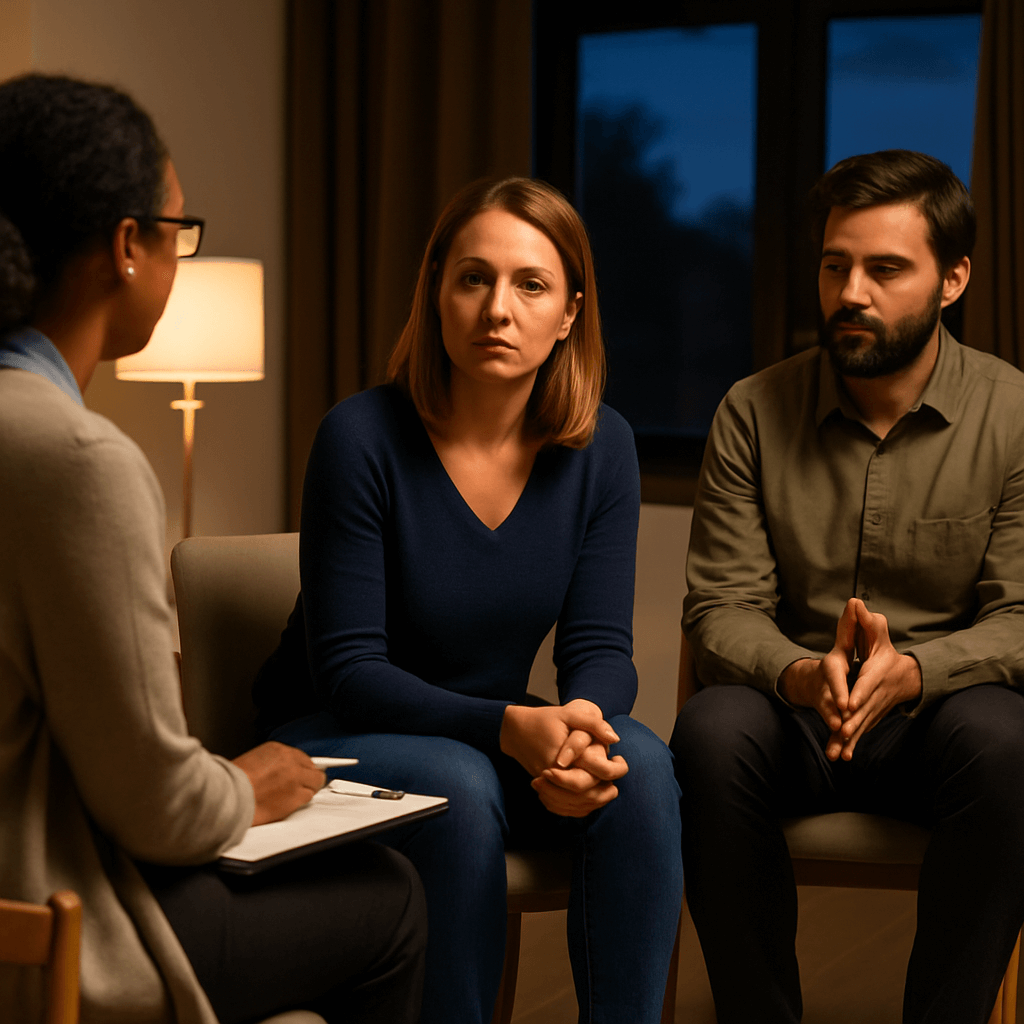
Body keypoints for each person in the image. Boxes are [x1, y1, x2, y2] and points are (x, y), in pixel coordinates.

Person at [0, 73, 425, 1024]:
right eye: (178, 232)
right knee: (391, 897)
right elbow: (159, 807)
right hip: (44, 923)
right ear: (126, 246)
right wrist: (245, 784)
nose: (179, 258)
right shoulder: (77, 461)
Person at [255, 176, 683, 1024]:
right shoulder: (360, 436)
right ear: (436, 292)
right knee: (458, 782)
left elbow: (599, 646)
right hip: (333, 738)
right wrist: (509, 728)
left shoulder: (602, 446)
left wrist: (580, 727)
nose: (498, 309)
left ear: (569, 313)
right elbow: (350, 673)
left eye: (531, 285)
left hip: (488, 738)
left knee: (638, 766)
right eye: (474, 279)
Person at [670, 148, 1024, 1024]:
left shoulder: (1014, 415)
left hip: (940, 722)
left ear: (953, 280)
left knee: (1008, 742)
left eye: (885, 269)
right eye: (836, 266)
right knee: (710, 733)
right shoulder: (753, 409)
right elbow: (721, 607)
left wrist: (917, 672)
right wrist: (798, 673)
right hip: (796, 710)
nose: (851, 292)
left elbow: (1020, 615)